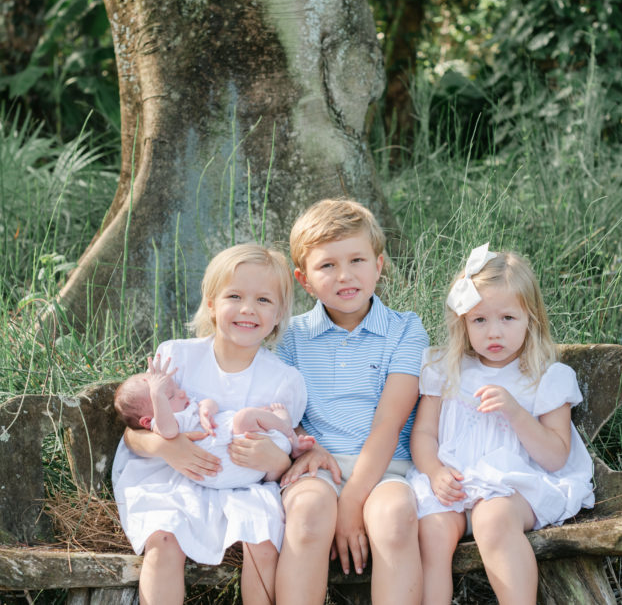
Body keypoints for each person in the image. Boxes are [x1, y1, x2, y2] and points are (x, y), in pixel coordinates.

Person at [111, 243, 306, 605]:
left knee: (262, 542)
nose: (248, 309)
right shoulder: (177, 356)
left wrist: (273, 462)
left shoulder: (283, 379)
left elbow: (284, 447)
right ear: (212, 302)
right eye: (235, 295)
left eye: (264, 301)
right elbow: (137, 432)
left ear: (280, 314)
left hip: (243, 483)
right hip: (175, 475)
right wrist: (169, 447)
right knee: (163, 538)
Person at [408, 244, 594, 605]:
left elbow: (556, 456)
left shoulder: (545, 377)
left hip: (516, 486)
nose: (494, 333)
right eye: (480, 320)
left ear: (531, 319)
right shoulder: (444, 369)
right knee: (431, 532)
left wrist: (516, 413)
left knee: (492, 518)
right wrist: (433, 472)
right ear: (463, 322)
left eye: (507, 318)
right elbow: (425, 433)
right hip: (453, 484)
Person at [275, 198, 429, 605]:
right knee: (307, 515)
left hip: (387, 467)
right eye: (327, 265)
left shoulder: (406, 330)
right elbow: (282, 411)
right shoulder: (290, 337)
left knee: (395, 519)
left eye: (357, 260)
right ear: (304, 279)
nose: (345, 275)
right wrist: (307, 443)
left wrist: (352, 503)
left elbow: (389, 423)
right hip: (318, 464)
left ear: (378, 265)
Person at [114, 360, 314, 488]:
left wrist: (206, 409)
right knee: (244, 417)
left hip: (248, 455)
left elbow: (209, 403)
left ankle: (285, 437)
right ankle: (288, 431)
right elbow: (167, 431)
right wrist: (157, 394)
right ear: (148, 420)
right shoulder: (164, 422)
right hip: (224, 462)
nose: (182, 393)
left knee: (249, 418)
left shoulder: (184, 407)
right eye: (171, 395)